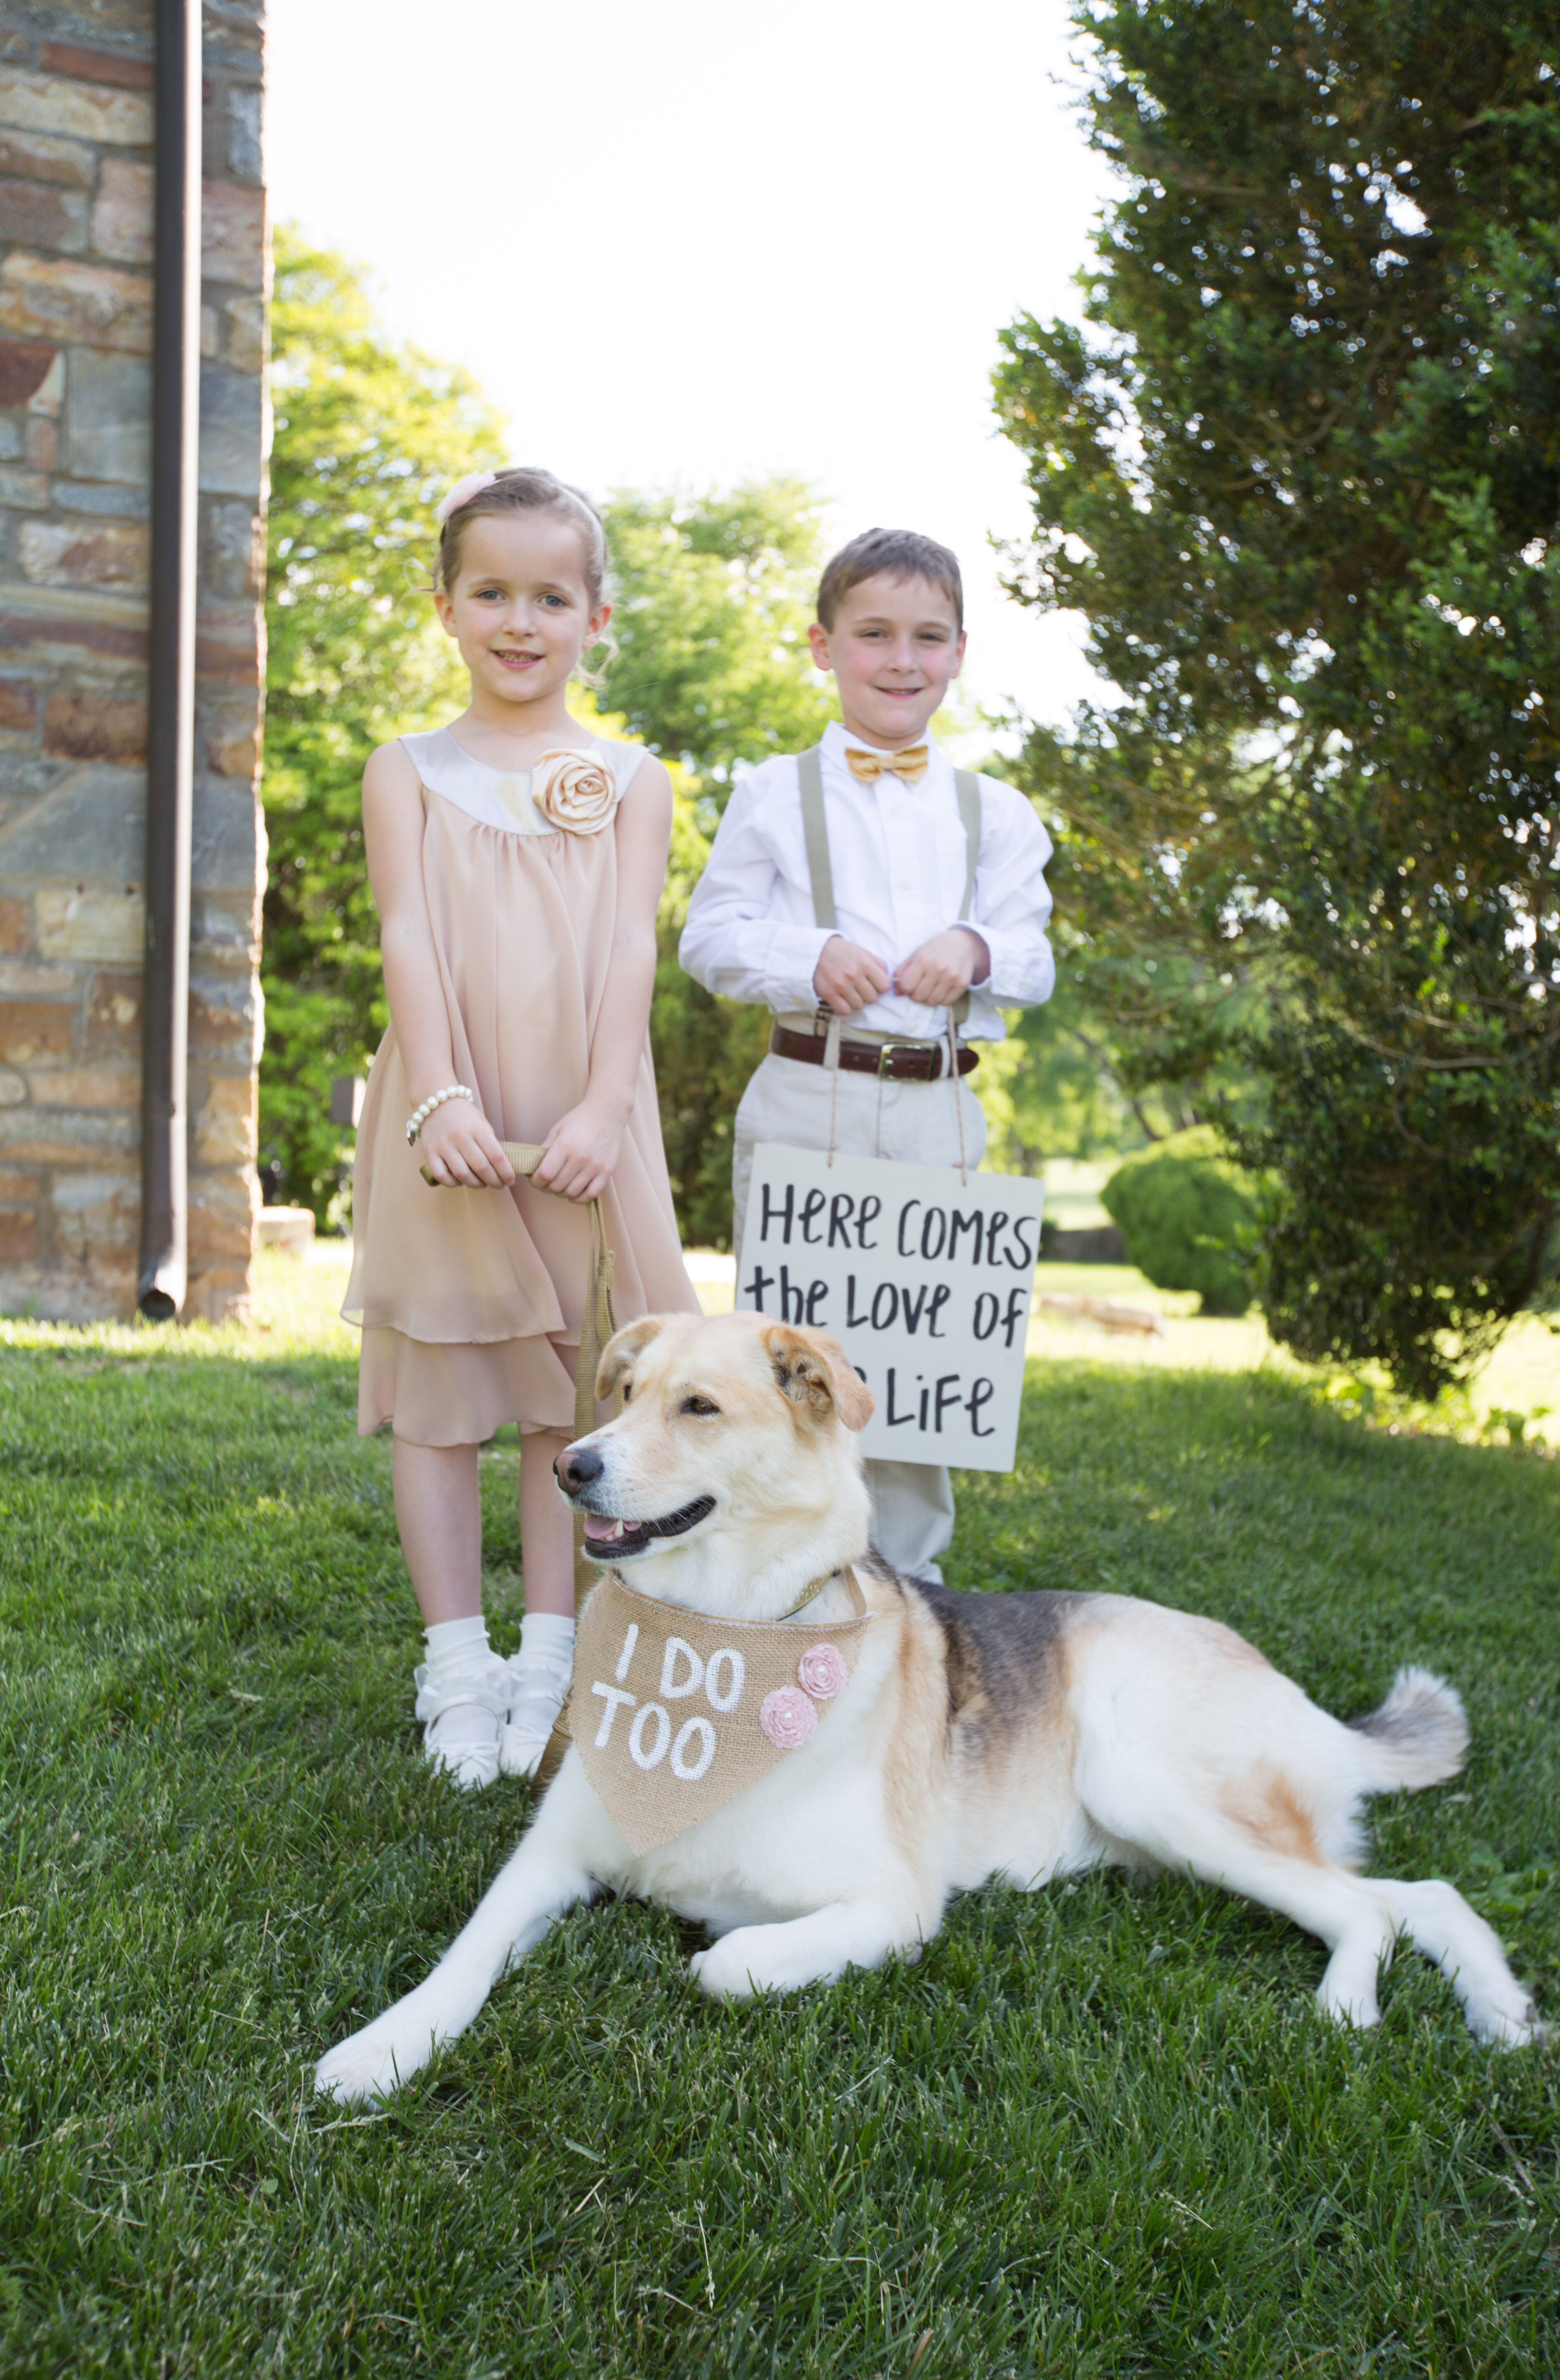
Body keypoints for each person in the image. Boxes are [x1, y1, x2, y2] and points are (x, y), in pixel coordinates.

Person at [344, 466, 698, 1790]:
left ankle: (554, 1656)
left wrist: (604, 1107)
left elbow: (625, 950)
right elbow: (408, 934)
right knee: (444, 1392)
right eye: (491, 592)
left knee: (574, 1388)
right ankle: (455, 1665)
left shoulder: (632, 780)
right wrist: (437, 1097)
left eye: (551, 596)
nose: (520, 620)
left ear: (596, 617)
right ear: (446, 608)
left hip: (583, 1112)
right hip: (452, 1106)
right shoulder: (408, 772)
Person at [679, 526, 1055, 1583]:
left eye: (928, 637)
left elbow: (1034, 958)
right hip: (809, 1090)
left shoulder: (999, 814)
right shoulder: (772, 793)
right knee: (787, 1354)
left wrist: (975, 948)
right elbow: (708, 939)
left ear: (961, 651)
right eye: (875, 634)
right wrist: (809, 956)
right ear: (824, 645)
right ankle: (782, 1565)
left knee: (925, 1352)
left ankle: (910, 1579)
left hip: (938, 1103)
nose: (902, 660)